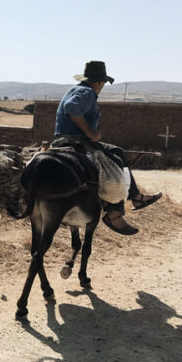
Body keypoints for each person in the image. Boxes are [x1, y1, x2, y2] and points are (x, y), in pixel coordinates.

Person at [52, 61, 162, 235]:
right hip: (77, 140)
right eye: (102, 84)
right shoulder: (87, 92)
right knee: (116, 155)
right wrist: (90, 131)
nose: (102, 87)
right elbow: (71, 107)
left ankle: (135, 198)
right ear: (99, 82)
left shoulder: (76, 90)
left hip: (60, 139)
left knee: (114, 154)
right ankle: (119, 209)